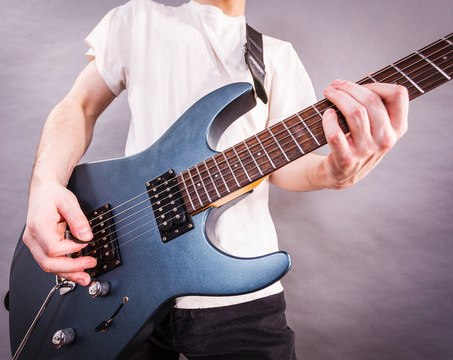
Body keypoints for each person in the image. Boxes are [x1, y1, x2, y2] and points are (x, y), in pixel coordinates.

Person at [21, 0, 408, 358]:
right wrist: (45, 185)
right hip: (123, 282)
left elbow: (284, 168)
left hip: (240, 296)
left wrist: (331, 172)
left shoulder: (275, 56)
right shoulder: (137, 20)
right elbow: (78, 106)